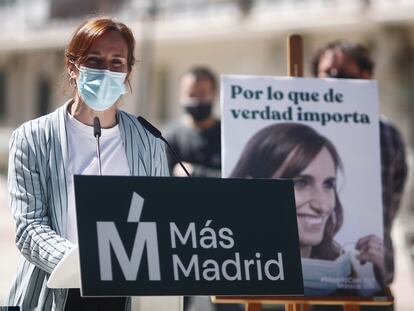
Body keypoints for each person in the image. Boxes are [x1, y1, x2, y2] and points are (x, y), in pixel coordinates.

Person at [5, 17, 169, 311]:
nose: (106, 70)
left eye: (117, 62)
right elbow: (29, 228)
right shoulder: (32, 138)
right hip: (54, 294)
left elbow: (159, 221)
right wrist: (87, 265)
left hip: (126, 297)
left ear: (128, 71)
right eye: (94, 60)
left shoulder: (150, 142)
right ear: (72, 67)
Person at [230, 123, 385, 295]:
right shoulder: (223, 273)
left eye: (328, 184)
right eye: (301, 182)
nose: (322, 206)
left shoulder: (345, 278)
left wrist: (376, 289)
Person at [311, 40, 408, 291]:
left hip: (372, 279)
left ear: (365, 76)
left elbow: (390, 203)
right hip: (313, 280)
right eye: (326, 74)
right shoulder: (305, 134)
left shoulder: (387, 135)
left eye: (341, 73)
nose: (333, 80)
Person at [164, 66, 221, 177]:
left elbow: (235, 176)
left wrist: (195, 172)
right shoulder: (168, 137)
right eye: (190, 94)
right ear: (180, 95)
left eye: (202, 94)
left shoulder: (227, 135)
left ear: (215, 94)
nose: (196, 101)